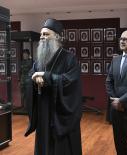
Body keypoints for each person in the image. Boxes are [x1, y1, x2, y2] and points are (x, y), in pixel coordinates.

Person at [24, 18, 83, 155]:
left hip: (61, 112)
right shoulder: (39, 60)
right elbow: (30, 75)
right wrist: (34, 79)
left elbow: (70, 81)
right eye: (41, 35)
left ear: (56, 37)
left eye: (46, 34)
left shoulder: (69, 58)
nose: (42, 38)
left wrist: (47, 77)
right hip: (43, 109)